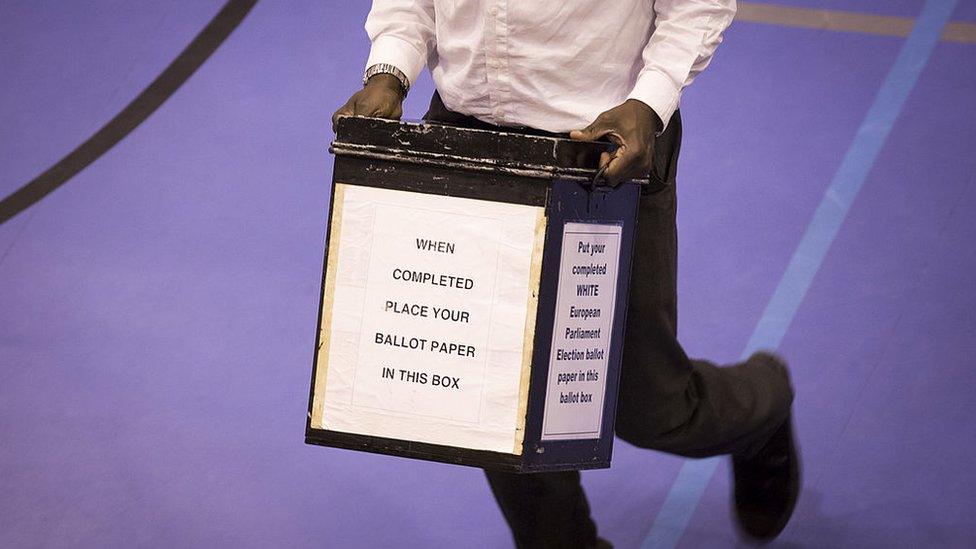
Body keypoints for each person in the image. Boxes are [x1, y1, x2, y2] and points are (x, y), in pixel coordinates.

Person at [333, 1, 800, 546]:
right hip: (468, 138)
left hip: (607, 150)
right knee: (498, 401)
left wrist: (650, 104)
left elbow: (698, 4)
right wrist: (389, 71)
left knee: (649, 408)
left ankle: (764, 403)